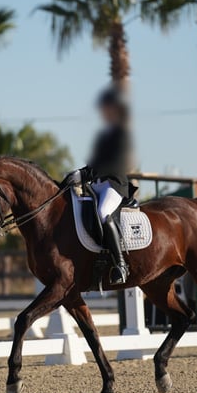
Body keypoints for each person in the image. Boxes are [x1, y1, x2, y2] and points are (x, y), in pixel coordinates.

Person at [84, 85, 132, 285]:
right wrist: (80, 173)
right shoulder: (103, 136)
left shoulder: (121, 134)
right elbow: (94, 162)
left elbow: (115, 163)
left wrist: (90, 172)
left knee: (103, 212)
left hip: (114, 185)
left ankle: (120, 264)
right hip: (97, 185)